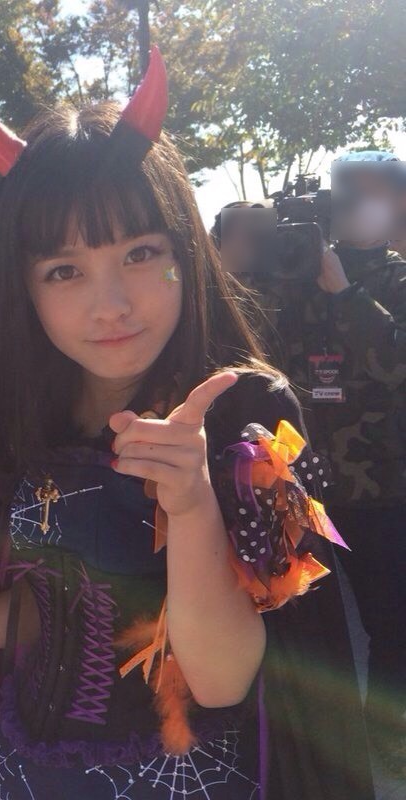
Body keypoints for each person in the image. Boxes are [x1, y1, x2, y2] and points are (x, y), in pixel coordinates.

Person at [0, 50, 372, 800]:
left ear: (186, 254)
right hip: (22, 768)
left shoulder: (244, 412)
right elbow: (57, 602)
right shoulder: (34, 410)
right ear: (24, 288)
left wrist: (192, 505)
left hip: (182, 777)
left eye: (141, 253)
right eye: (65, 270)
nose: (112, 304)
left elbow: (222, 681)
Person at [220, 152, 406, 776]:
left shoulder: (396, 283)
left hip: (382, 488)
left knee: (392, 623)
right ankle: (313, 746)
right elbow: (247, 357)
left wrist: (346, 295)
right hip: (297, 488)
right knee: (305, 626)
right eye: (346, 192)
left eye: (372, 193)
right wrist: (256, 267)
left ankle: (387, 739)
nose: (356, 204)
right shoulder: (289, 273)